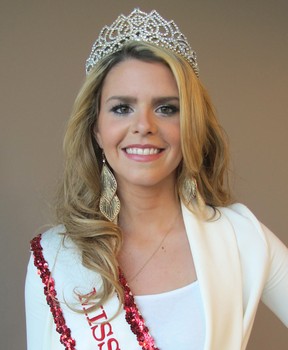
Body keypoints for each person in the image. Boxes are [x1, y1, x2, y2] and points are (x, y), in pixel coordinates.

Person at [25, 8, 288, 350]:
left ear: (190, 126)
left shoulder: (241, 237)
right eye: (122, 108)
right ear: (97, 130)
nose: (144, 125)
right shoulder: (55, 257)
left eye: (166, 108)